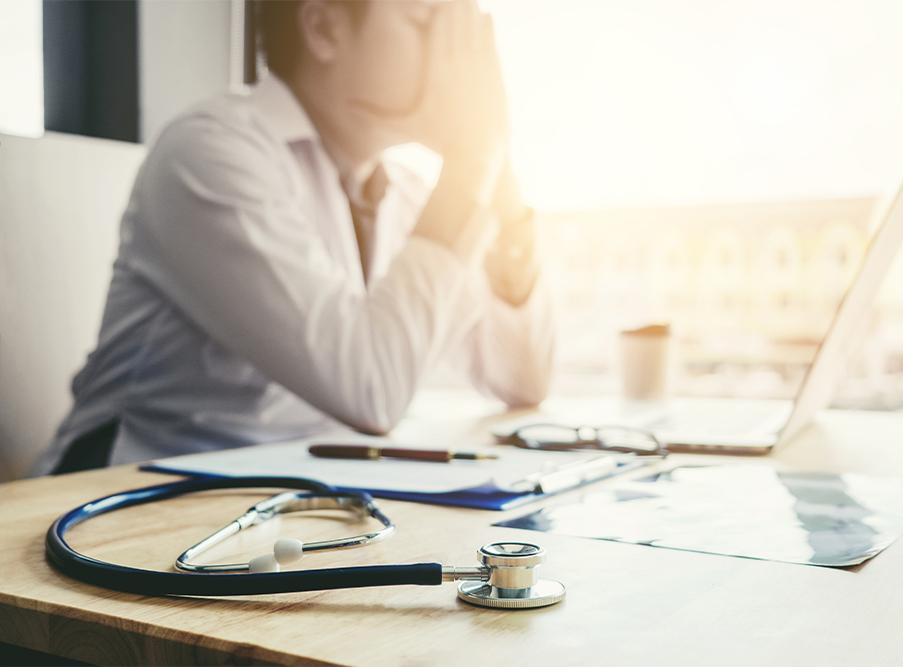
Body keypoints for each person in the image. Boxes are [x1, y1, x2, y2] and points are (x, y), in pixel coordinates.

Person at [34, 0, 554, 475]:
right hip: (123, 501)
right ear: (324, 28)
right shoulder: (211, 153)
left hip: (296, 499)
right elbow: (371, 388)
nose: (460, 60)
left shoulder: (413, 196)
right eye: (428, 24)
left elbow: (522, 380)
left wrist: (497, 175)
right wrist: (468, 162)